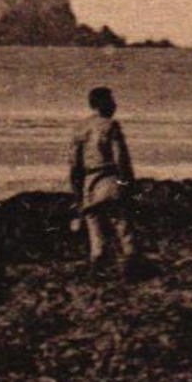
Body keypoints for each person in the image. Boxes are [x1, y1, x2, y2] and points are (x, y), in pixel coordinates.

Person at [71, 86, 138, 274]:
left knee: (95, 230)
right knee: (122, 225)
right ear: (103, 104)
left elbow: (74, 166)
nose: (115, 105)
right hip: (110, 179)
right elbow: (121, 160)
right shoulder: (111, 125)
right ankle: (130, 269)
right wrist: (127, 185)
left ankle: (96, 268)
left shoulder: (80, 128)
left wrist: (78, 196)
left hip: (89, 183)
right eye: (111, 101)